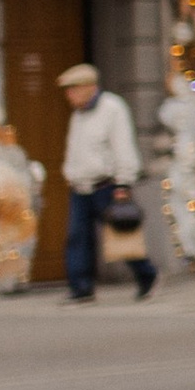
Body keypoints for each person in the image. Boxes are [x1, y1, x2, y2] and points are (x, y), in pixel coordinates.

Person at [57, 62, 155, 302]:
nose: (69, 95)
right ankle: (81, 288)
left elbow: (123, 146)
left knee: (122, 235)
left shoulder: (112, 108)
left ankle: (146, 275)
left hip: (107, 185)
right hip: (81, 187)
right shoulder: (78, 114)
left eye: (73, 89)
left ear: (89, 87)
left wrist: (124, 183)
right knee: (78, 237)